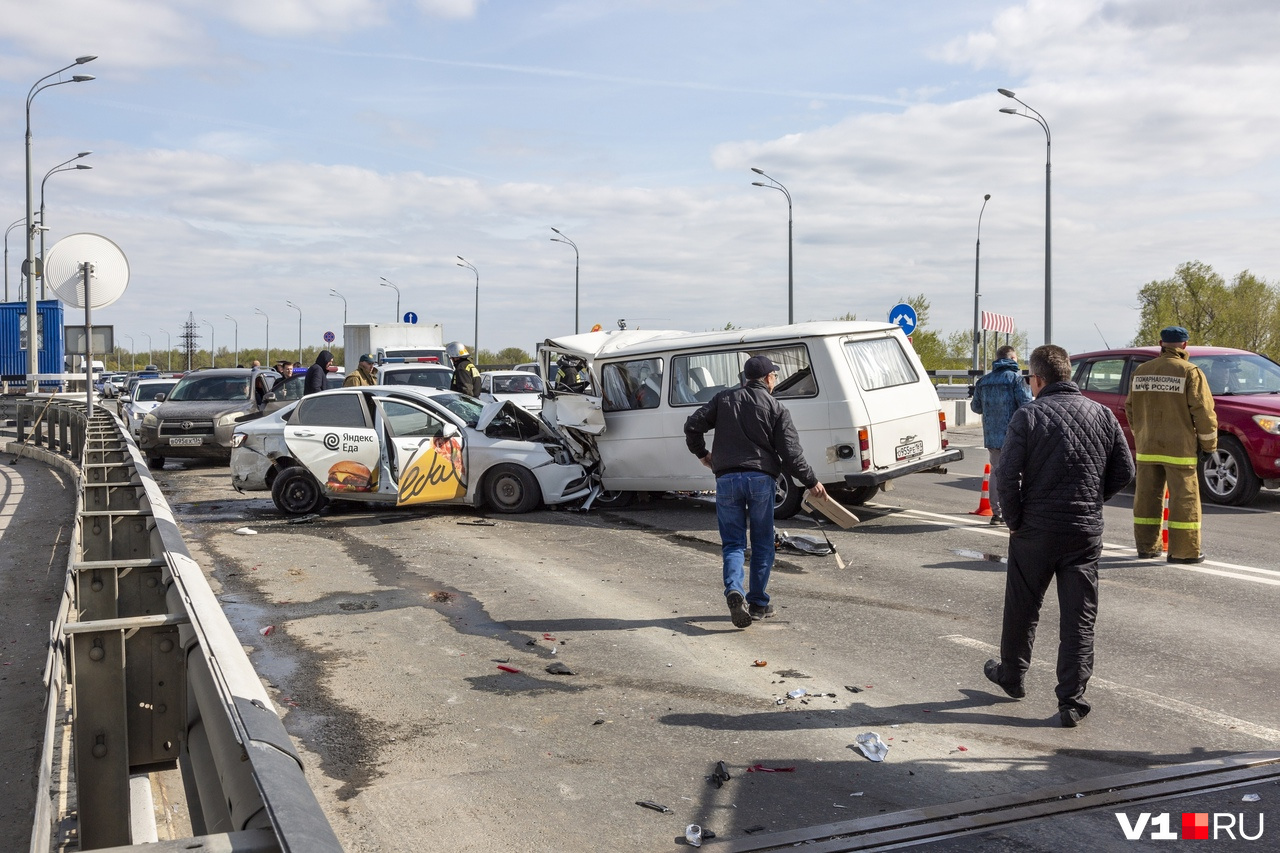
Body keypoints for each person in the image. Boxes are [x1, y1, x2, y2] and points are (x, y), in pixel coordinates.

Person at [985, 345, 1134, 728]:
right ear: (1069, 374)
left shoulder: (1029, 414)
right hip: (1083, 532)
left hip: (1035, 529)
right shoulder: (1101, 414)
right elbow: (1125, 470)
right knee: (1079, 618)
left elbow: (1007, 474)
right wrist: (1091, 501)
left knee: (1022, 608)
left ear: (1036, 380)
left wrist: (1015, 521)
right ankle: (1072, 699)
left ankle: (1013, 676)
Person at [684, 355, 828, 629]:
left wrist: (703, 454)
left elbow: (692, 425)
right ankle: (759, 604)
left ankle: (734, 590)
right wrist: (811, 482)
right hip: (761, 481)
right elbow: (791, 453)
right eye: (774, 376)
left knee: (733, 544)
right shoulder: (776, 408)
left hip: (726, 480)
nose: (775, 380)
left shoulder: (723, 399)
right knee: (762, 544)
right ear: (767, 379)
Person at [1125, 325, 1217, 564]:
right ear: (1185, 345)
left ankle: (1146, 548)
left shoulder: (1141, 371)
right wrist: (1209, 446)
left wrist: (1141, 433)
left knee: (1146, 498)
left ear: (1160, 343)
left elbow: (1130, 408)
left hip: (1147, 447)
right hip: (1180, 450)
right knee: (1184, 499)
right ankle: (1184, 552)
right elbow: (1204, 413)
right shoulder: (1190, 371)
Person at [969, 345, 1033, 525]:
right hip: (1015, 435)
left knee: (997, 473)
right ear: (1012, 358)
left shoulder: (983, 381)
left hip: (992, 436)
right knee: (1017, 474)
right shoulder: (1016, 380)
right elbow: (1027, 406)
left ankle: (997, 513)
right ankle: (1016, 511)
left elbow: (976, 407)